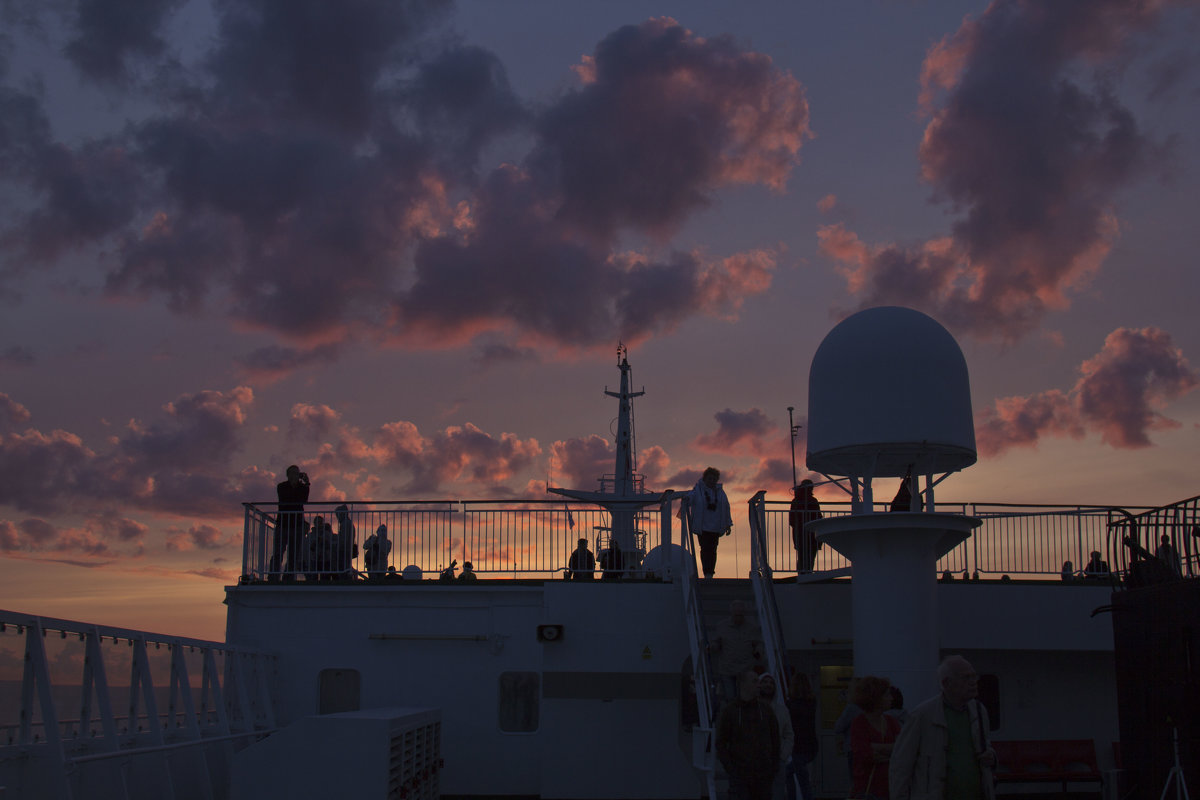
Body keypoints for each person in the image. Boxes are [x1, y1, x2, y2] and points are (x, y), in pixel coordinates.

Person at [890, 656, 997, 800]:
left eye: (974, 676)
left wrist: (991, 757)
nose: (974, 682)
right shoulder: (922, 715)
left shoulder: (979, 711)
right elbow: (901, 765)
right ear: (946, 683)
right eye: (966, 677)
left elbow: (986, 746)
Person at [716, 670, 781, 800]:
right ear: (743, 684)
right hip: (741, 776)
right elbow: (721, 743)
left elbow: (775, 739)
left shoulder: (766, 710)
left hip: (763, 776)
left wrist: (773, 768)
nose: (759, 685)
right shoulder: (730, 711)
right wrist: (732, 769)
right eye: (754, 681)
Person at [849, 676, 901, 800]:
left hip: (889, 788)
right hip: (866, 788)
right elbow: (866, 754)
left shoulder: (891, 722)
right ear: (876, 698)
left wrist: (875, 746)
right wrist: (891, 751)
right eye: (887, 695)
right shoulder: (859, 723)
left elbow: (902, 750)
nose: (891, 698)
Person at [710, 600, 763, 703]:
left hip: (745, 670)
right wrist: (713, 646)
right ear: (732, 613)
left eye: (741, 614)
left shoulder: (751, 628)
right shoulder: (722, 626)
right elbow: (716, 641)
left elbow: (758, 643)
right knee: (730, 698)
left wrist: (758, 651)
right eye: (736, 614)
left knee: (745, 698)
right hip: (727, 669)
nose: (738, 617)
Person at [690, 467, 732, 579]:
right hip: (703, 526)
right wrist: (686, 498)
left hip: (716, 526)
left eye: (714, 479)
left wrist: (728, 524)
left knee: (713, 550)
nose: (712, 481)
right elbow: (691, 498)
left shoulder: (721, 493)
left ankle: (710, 573)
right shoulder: (698, 490)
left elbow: (726, 507)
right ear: (705, 479)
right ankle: (706, 572)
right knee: (705, 549)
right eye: (709, 478)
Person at [757, 673, 793, 800]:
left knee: (777, 795)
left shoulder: (783, 711)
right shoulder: (749, 709)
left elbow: (789, 735)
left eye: (771, 683)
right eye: (765, 682)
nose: (768, 685)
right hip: (755, 761)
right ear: (758, 685)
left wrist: (783, 755)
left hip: (777, 760)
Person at [271, 465, 310, 580]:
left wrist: (307, 483)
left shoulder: (303, 488)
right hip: (283, 524)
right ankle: (273, 576)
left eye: (297, 473)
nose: (295, 475)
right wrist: (298, 485)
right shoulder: (282, 486)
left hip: (297, 525)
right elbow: (287, 499)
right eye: (292, 473)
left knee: (294, 554)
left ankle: (289, 577)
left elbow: (303, 501)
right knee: (278, 552)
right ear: (288, 475)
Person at [786, 672, 818, 800]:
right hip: (810, 746)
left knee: (796, 777)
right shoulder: (811, 703)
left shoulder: (791, 705)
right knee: (802, 778)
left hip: (798, 747)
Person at [789, 480, 823, 573]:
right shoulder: (812, 501)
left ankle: (802, 574)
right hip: (811, 533)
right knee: (809, 556)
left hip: (800, 533)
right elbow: (818, 517)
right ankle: (807, 573)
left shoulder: (796, 500)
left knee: (802, 555)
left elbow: (792, 520)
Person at [333, 504, 357, 578]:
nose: (337, 517)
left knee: (344, 569)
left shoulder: (345, 524)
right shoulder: (348, 523)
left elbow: (344, 539)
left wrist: (337, 545)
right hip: (346, 550)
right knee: (345, 568)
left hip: (344, 550)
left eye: (338, 514)